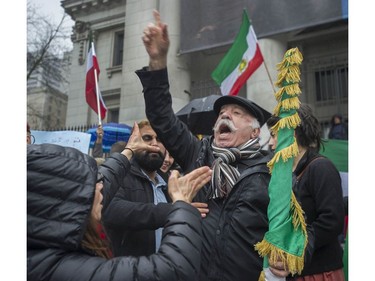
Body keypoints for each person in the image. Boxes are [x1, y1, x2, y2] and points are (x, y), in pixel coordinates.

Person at [135, 10, 287, 281]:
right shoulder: (198, 153)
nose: (225, 115)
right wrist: (158, 61)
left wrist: (291, 255)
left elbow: (301, 227)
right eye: (222, 113)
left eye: (236, 113)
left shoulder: (272, 172)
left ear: (255, 131)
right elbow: (162, 116)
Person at [27, 122, 212, 281]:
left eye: (160, 139)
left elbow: (103, 180)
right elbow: (171, 270)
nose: (100, 187)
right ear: (57, 201)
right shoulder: (63, 269)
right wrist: (178, 207)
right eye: (88, 185)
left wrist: (128, 151)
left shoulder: (169, 181)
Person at [270, 104, 345, 280]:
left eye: (274, 135)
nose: (271, 144)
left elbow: (331, 221)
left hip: (319, 273)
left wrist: (295, 251)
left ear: (292, 134)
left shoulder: (321, 168)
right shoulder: (283, 172)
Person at [102, 119, 173, 256]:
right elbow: (111, 210)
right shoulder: (121, 176)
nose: (154, 144)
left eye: (159, 139)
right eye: (147, 138)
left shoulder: (170, 182)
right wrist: (169, 211)